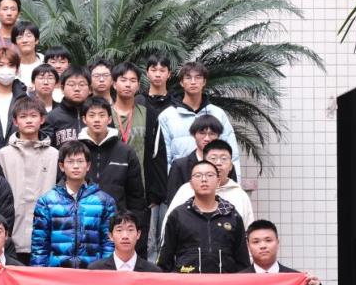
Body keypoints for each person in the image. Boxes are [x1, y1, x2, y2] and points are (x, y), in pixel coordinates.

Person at [31, 140, 117, 268]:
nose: (76, 166)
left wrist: (106, 271)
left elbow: (109, 243)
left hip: (92, 271)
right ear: (62, 166)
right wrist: (38, 274)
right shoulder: (47, 202)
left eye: (80, 161)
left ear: (88, 166)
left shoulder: (104, 202)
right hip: (57, 272)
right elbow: (39, 245)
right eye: (70, 162)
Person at [110, 61, 166, 255]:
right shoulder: (104, 115)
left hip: (140, 192)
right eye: (123, 79)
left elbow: (157, 155)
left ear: (138, 85)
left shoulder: (149, 115)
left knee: (139, 246)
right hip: (111, 190)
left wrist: (154, 193)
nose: (128, 84)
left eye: (133, 80)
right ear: (114, 83)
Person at [0, 96, 58, 265]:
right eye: (23, 116)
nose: (29, 120)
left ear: (42, 119)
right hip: (12, 233)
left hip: (48, 234)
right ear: (15, 121)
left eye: (33, 115)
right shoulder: (3, 155)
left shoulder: (55, 155)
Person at [77, 97, 147, 249]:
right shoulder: (75, 150)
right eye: (92, 115)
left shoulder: (125, 152)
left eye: (102, 115)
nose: (97, 120)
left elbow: (136, 197)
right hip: (80, 226)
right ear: (84, 119)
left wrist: (133, 227)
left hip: (116, 227)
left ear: (109, 119)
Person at [156, 160, 249, 274]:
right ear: (191, 184)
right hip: (187, 282)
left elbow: (242, 261)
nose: (204, 179)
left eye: (209, 175)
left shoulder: (232, 215)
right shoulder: (178, 215)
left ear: (218, 181)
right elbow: (165, 260)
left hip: (224, 282)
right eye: (198, 175)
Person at [159, 61, 241, 173]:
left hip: (213, 178)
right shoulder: (167, 116)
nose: (193, 82)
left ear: (204, 82)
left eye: (198, 77)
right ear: (181, 82)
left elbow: (232, 155)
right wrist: (171, 182)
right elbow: (164, 158)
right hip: (180, 177)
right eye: (188, 78)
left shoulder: (218, 114)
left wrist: (234, 182)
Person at [163, 139, 254, 230]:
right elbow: (168, 226)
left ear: (231, 166)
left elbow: (249, 231)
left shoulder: (240, 195)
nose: (218, 163)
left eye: (224, 159)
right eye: (213, 158)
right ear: (204, 162)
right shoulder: (187, 190)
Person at [164, 116, 238, 206]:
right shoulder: (180, 165)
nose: (207, 139)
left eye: (212, 134)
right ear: (194, 135)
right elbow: (172, 199)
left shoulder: (226, 166)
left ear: (218, 136)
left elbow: (234, 194)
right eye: (202, 133)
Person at [42, 66, 91, 147]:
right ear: (62, 88)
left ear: (90, 89)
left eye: (82, 84)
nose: (77, 89)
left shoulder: (97, 116)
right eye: (71, 84)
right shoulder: (52, 117)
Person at [13, 21, 44, 89]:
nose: (24, 40)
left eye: (29, 36)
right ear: (15, 43)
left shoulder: (46, 62)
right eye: (20, 37)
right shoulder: (10, 66)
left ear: (36, 40)